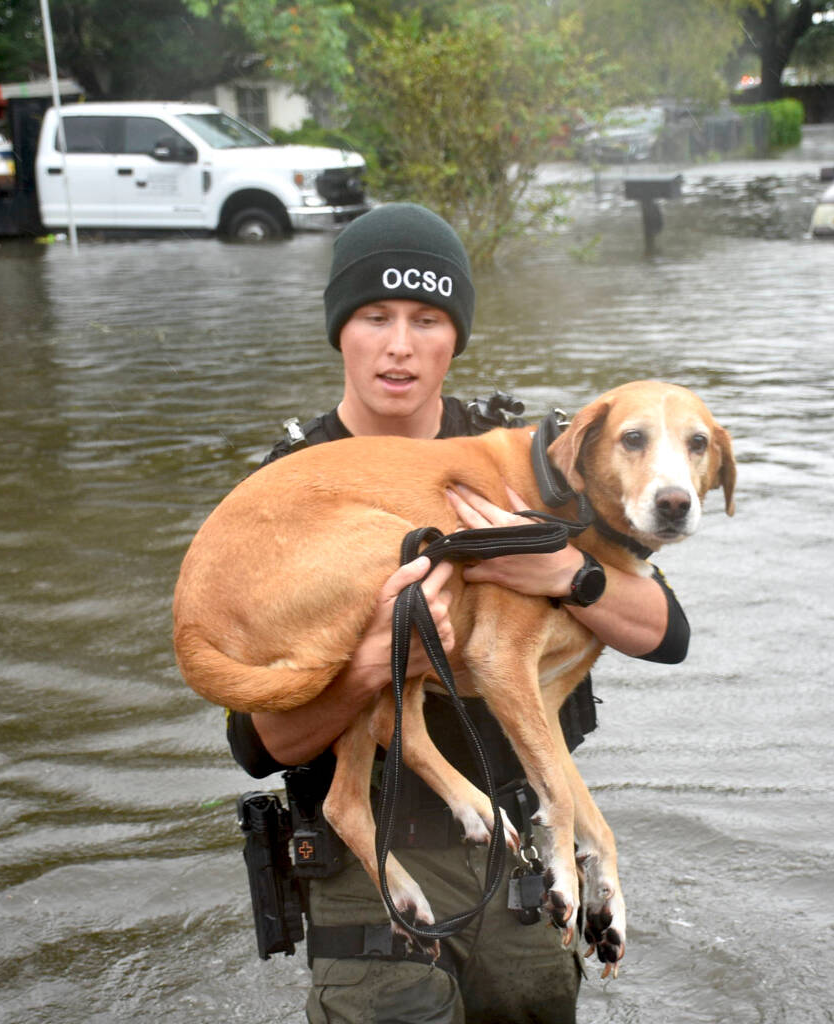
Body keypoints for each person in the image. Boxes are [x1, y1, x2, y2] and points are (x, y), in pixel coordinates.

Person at [226, 202, 689, 1024]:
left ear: (456, 337)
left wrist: (564, 569)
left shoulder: (516, 453)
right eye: (375, 315)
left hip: (515, 845)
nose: (400, 345)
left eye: (428, 319)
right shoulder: (293, 480)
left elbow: (664, 632)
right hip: (369, 863)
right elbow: (260, 744)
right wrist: (376, 662)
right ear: (341, 330)